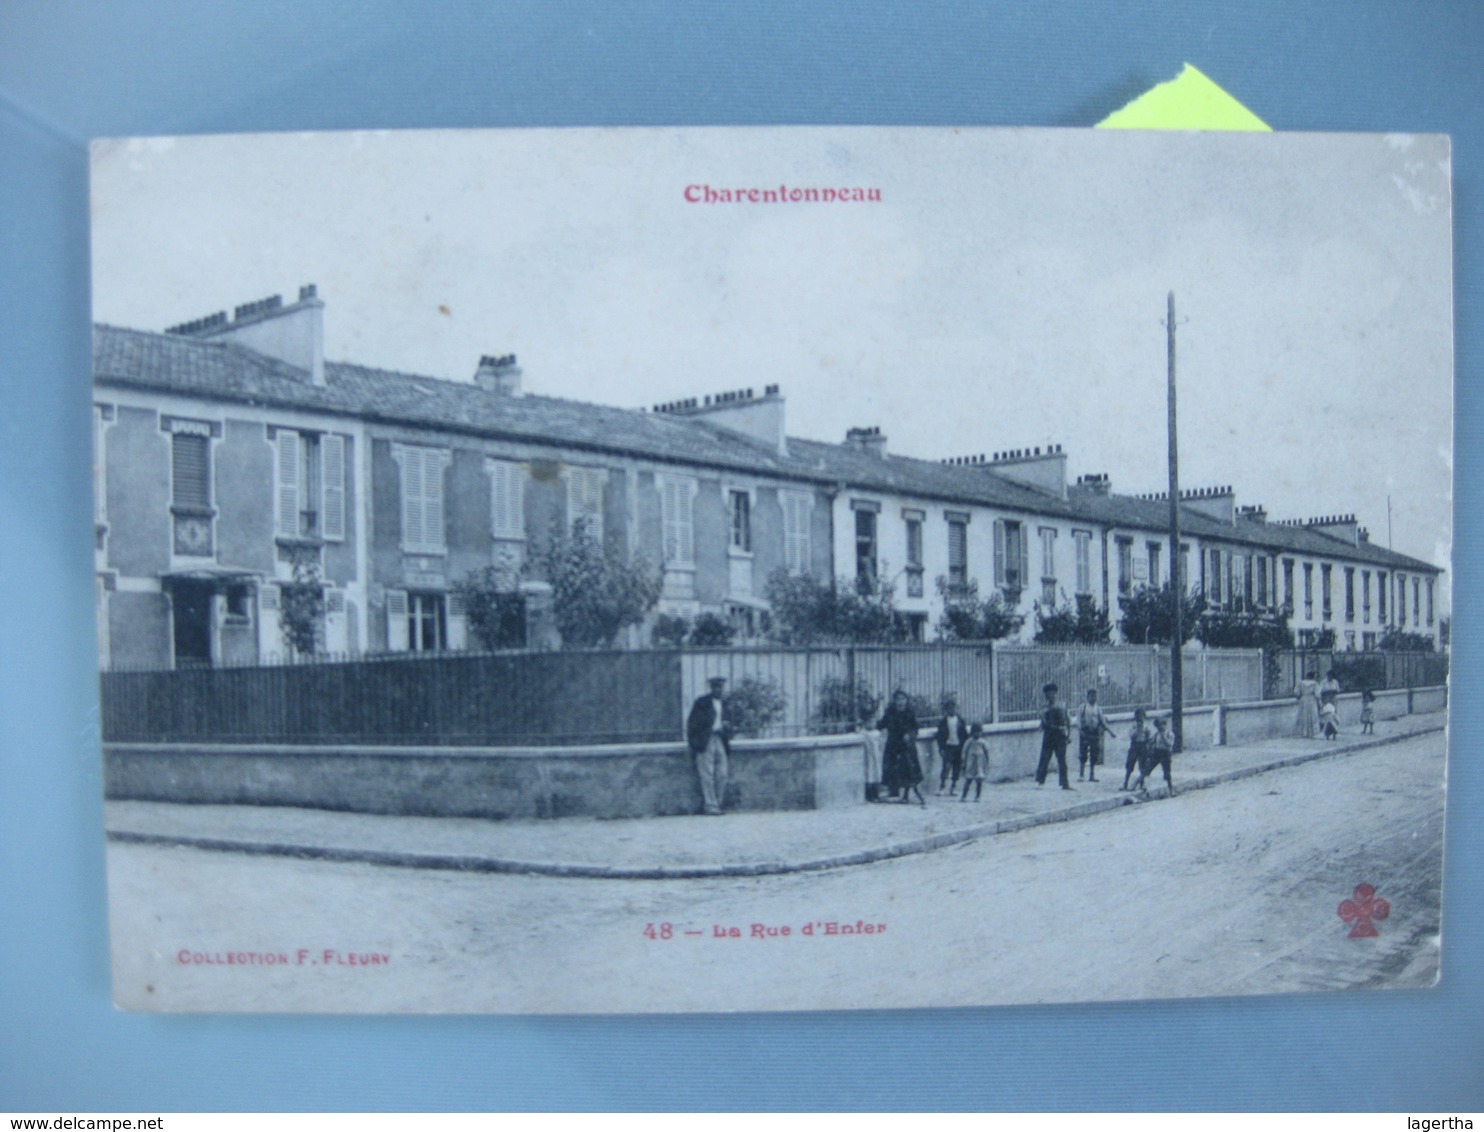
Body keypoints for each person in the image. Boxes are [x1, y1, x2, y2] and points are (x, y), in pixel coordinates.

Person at [686, 675, 731, 815]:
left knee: (722, 773)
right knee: (707, 774)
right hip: (705, 740)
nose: (718, 690)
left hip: (720, 738)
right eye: (716, 687)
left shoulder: (725, 703)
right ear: (711, 688)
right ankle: (710, 805)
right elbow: (693, 724)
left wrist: (727, 726)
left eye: (721, 687)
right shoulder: (702, 703)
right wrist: (696, 742)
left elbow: (731, 720)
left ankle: (718, 802)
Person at [877, 689, 925, 806]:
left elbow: (916, 729)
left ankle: (912, 794)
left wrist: (910, 735)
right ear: (894, 701)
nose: (900, 702)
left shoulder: (910, 713)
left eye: (903, 699)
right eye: (898, 699)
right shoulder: (890, 712)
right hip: (893, 746)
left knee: (910, 770)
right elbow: (880, 725)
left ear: (906, 700)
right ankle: (896, 793)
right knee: (894, 770)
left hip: (907, 747)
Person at [1034, 683, 1073, 790]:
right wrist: (1041, 725)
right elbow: (1043, 722)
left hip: (1060, 734)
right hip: (1049, 735)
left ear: (1055, 693)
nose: (1050, 695)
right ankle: (1040, 781)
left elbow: (1068, 721)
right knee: (1044, 758)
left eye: (1051, 693)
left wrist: (1068, 735)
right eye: (1047, 694)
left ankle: (1064, 783)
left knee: (1062, 760)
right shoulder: (1044, 708)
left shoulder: (1062, 705)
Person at [1076, 688, 1116, 782]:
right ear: (1087, 697)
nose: (1093, 698)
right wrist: (1080, 730)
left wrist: (1110, 732)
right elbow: (1078, 720)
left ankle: (1092, 775)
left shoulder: (1098, 709)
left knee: (1094, 754)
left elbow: (1102, 721)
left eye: (1095, 696)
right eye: (1091, 696)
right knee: (1083, 754)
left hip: (1094, 733)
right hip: (1085, 733)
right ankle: (1081, 775)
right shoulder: (1083, 707)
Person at [936, 694, 969, 796]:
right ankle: (942, 787)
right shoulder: (943, 721)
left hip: (958, 747)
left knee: (956, 767)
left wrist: (964, 747)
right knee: (946, 767)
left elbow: (964, 734)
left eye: (954, 708)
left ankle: (953, 787)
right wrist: (941, 747)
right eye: (950, 708)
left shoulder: (960, 721)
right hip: (948, 746)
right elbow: (940, 735)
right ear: (946, 710)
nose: (952, 710)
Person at [1134, 714, 1175, 796]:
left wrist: (1163, 736)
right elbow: (1151, 742)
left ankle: (1171, 790)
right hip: (1156, 753)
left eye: (1162, 726)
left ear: (1165, 725)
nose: (1160, 728)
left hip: (1165, 754)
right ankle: (1135, 783)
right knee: (1147, 769)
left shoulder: (1169, 734)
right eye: (1158, 727)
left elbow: (1169, 744)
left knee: (1167, 773)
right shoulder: (1156, 734)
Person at [1121, 707, 1152, 792]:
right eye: (1138, 717)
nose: (1140, 719)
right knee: (1129, 764)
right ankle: (1125, 783)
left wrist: (1148, 747)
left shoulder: (1146, 727)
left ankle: (1142, 784)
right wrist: (1137, 729)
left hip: (1143, 746)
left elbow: (1149, 737)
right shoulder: (1133, 727)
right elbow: (1131, 736)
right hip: (1134, 746)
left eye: (1142, 717)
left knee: (1142, 765)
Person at [960, 723, 991, 801]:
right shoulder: (969, 741)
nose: (977, 734)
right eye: (975, 732)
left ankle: (977, 796)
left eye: (979, 732)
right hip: (971, 762)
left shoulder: (983, 742)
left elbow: (987, 752)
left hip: (979, 762)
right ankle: (964, 796)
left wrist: (987, 762)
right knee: (968, 779)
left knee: (979, 781)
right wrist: (963, 761)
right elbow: (964, 751)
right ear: (972, 733)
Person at [1293, 671, 1321, 739]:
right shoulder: (1315, 684)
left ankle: (1303, 732)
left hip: (1303, 700)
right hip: (1311, 700)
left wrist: (1299, 696)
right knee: (1312, 715)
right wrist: (1319, 699)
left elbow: (1297, 693)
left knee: (1303, 715)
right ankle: (1311, 732)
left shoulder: (1301, 683)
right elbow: (1317, 694)